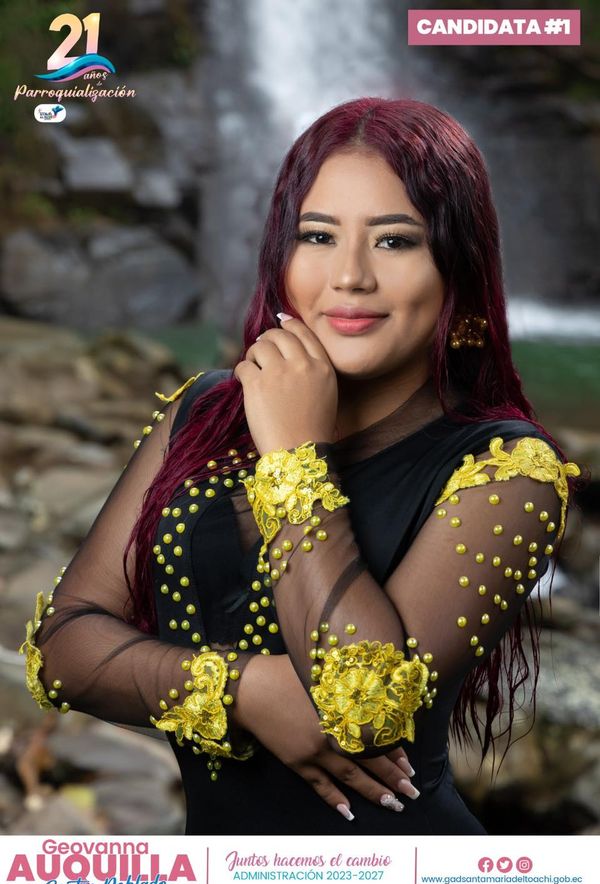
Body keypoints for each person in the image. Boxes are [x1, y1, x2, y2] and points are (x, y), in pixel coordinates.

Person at [22, 97, 582, 836]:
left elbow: (360, 712)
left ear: (458, 270)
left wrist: (293, 454)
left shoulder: (510, 469)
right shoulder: (204, 411)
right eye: (318, 235)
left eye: (395, 241)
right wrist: (244, 691)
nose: (349, 276)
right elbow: (60, 649)